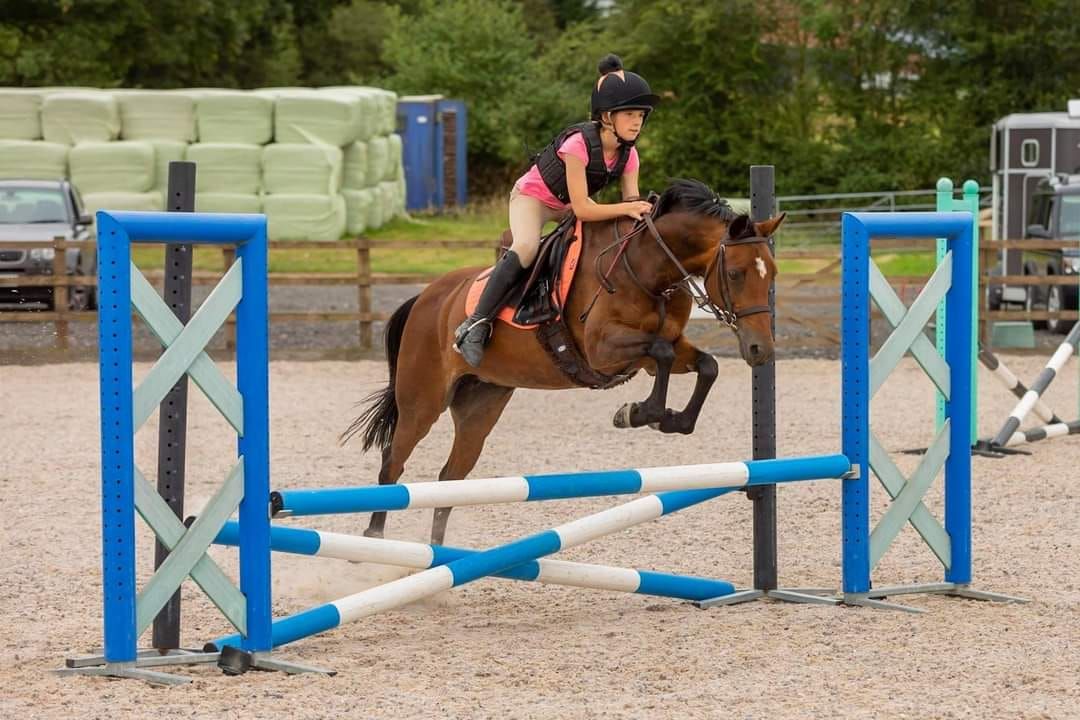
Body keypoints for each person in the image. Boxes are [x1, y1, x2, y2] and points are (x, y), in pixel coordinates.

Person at [453, 53, 660, 367]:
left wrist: (644, 212)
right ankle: (476, 324)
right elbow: (583, 208)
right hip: (533, 200)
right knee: (525, 246)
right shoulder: (577, 145)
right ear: (606, 117)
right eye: (629, 114)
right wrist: (627, 207)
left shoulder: (629, 156)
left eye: (641, 115)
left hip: (569, 206)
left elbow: (629, 204)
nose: (637, 122)